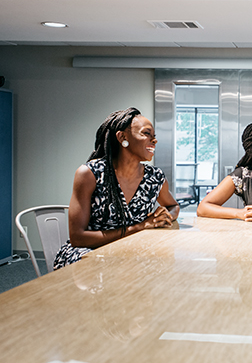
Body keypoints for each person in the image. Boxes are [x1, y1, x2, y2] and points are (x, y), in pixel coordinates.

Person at [54, 107, 179, 269]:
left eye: (154, 136)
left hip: (131, 250)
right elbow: (78, 238)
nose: (154, 140)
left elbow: (173, 206)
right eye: (146, 133)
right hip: (89, 254)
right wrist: (140, 227)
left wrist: (164, 216)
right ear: (122, 137)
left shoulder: (155, 177)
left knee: (165, 266)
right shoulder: (90, 174)